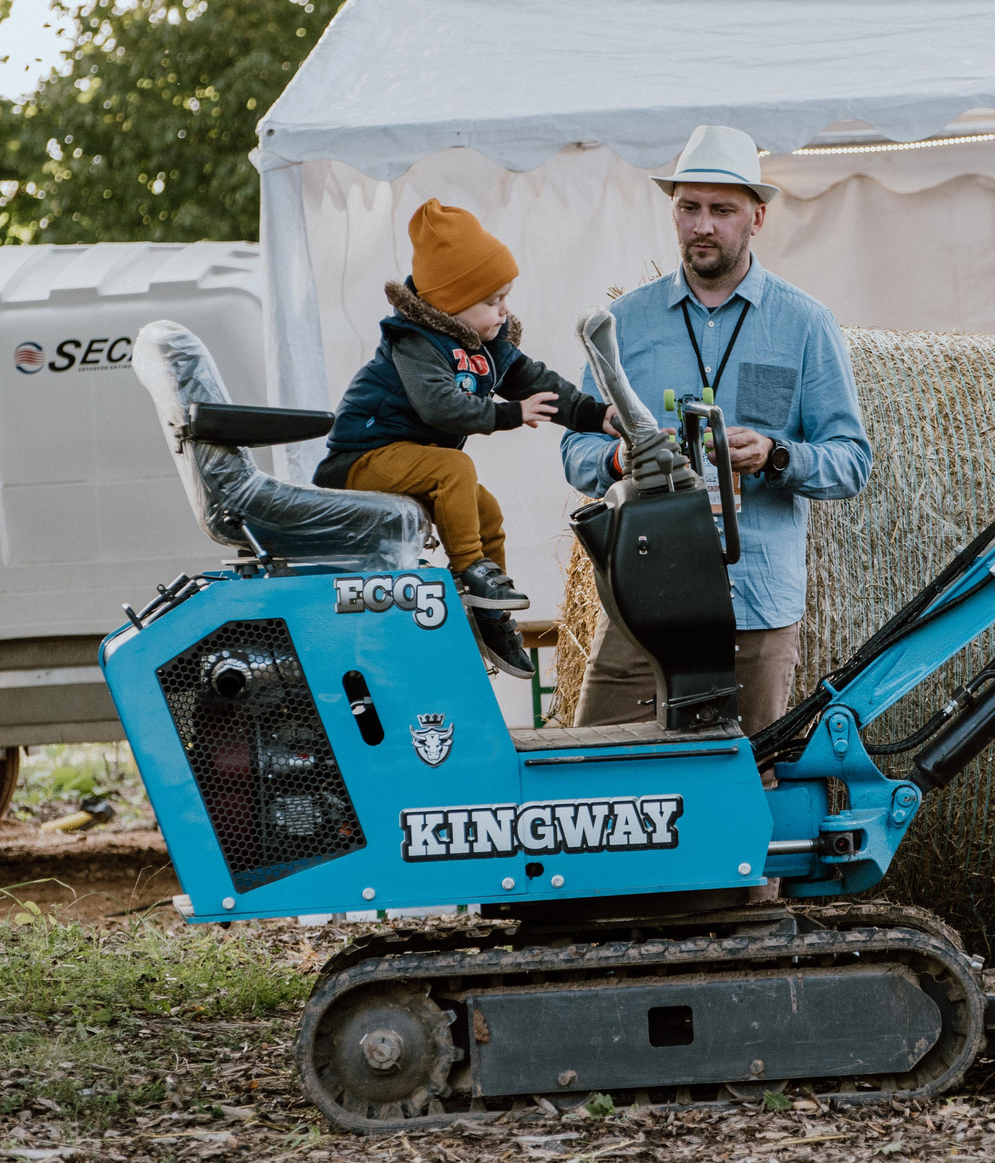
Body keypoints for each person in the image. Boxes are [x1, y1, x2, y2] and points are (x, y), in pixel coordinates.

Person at [559, 125, 871, 732]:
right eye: (689, 208)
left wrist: (776, 455)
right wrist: (622, 461)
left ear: (757, 217)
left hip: (754, 605)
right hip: (639, 604)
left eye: (721, 210)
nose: (703, 226)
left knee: (745, 786)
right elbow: (576, 450)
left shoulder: (806, 324)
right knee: (600, 777)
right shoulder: (622, 322)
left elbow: (851, 461)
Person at [315, 201, 613, 678]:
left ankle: (490, 616)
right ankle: (472, 571)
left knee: (486, 509)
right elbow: (439, 405)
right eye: (493, 301)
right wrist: (508, 414)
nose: (505, 309)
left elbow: (538, 380)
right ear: (452, 304)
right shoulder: (415, 342)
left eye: (506, 296)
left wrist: (598, 416)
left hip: (410, 460)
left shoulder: (484, 347)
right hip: (360, 459)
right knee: (455, 468)